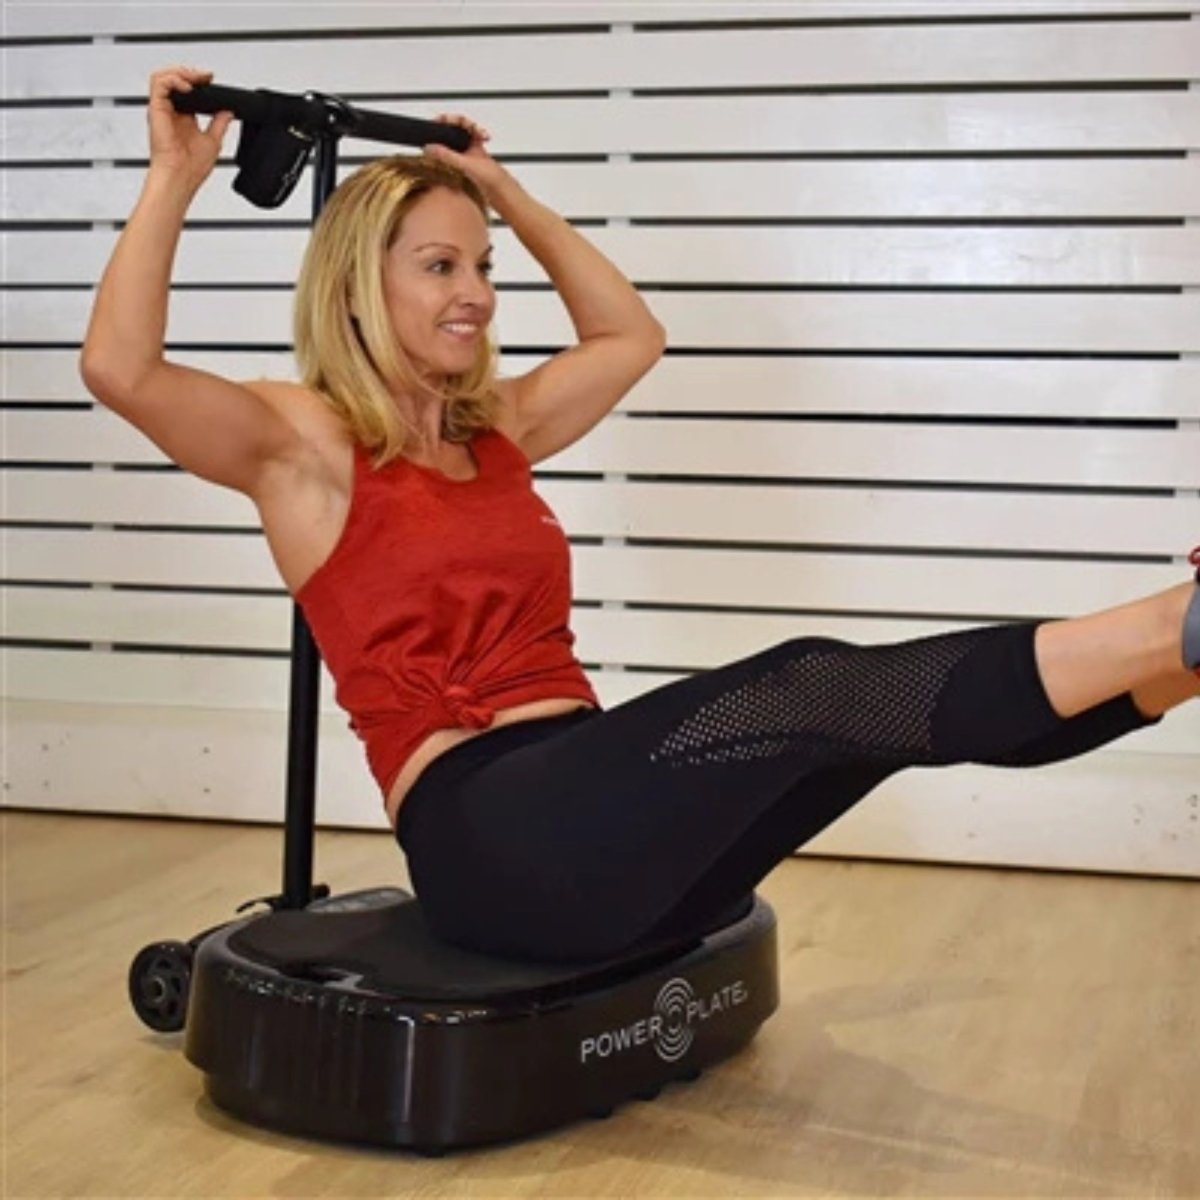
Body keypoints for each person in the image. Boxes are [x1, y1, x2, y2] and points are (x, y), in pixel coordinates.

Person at [82, 66, 1200, 965]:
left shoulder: (496, 431)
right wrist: (176, 177)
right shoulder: (304, 446)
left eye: (483, 266)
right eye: (438, 266)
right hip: (491, 839)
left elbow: (628, 336)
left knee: (849, 721)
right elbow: (121, 370)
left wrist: (499, 192)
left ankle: (1176, 665)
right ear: (357, 286)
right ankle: (1175, 623)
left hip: (596, 812)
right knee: (810, 678)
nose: (475, 291)